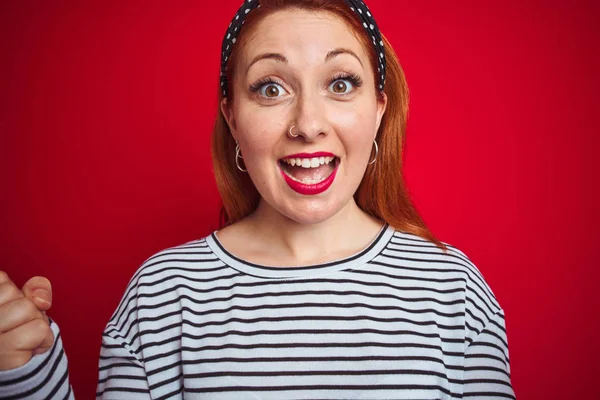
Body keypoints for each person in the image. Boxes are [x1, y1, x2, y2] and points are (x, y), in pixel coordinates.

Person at [0, 0, 515, 399]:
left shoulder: (453, 291)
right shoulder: (162, 296)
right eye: (270, 88)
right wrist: (25, 375)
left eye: (340, 82)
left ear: (379, 109)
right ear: (232, 117)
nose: (308, 124)